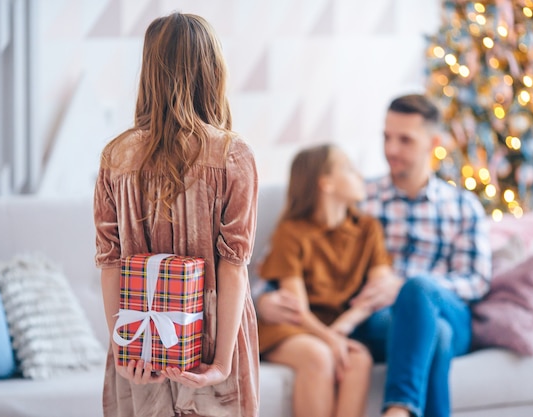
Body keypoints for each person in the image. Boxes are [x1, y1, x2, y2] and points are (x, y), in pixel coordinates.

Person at [257, 94, 492, 417]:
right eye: (386, 138)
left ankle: (398, 409)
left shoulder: (463, 208)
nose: (391, 150)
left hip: (445, 308)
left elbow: (477, 281)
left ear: (434, 143)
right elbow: (286, 260)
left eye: (405, 140)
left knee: (421, 296)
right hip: (383, 320)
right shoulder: (361, 200)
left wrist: (408, 287)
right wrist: (261, 300)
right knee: (435, 335)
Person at [93, 13, 259, 417]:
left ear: (149, 72)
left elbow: (110, 263)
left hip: (141, 336)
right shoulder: (232, 155)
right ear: (213, 70)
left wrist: (124, 350)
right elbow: (233, 266)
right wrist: (221, 363)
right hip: (212, 336)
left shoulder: (116, 157)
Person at [257, 144, 399, 417]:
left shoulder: (368, 228)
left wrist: (339, 331)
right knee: (318, 356)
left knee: (359, 360)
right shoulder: (292, 232)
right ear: (326, 184)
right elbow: (296, 310)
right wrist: (330, 339)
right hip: (292, 327)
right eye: (348, 168)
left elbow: (376, 293)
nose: (359, 175)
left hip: (335, 326)